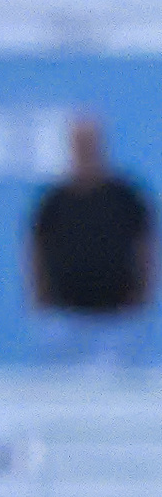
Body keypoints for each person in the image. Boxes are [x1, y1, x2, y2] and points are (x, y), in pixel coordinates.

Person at [29, 118, 156, 365]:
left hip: (119, 322)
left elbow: (146, 248)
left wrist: (144, 295)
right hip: (65, 320)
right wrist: (40, 301)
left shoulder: (126, 197)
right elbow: (35, 252)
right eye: (79, 142)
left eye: (90, 142)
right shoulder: (53, 202)